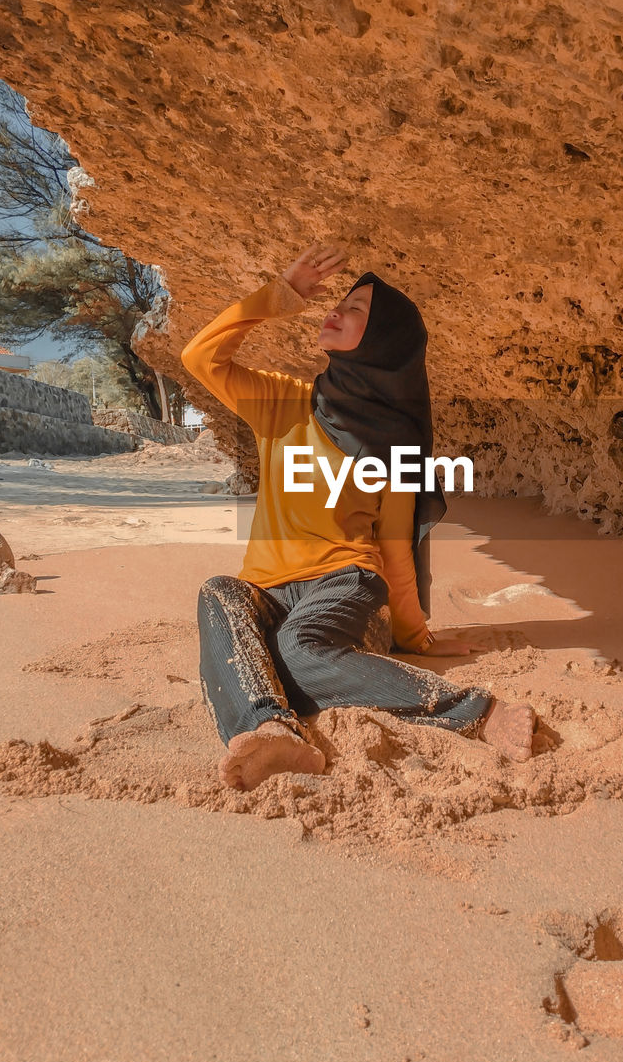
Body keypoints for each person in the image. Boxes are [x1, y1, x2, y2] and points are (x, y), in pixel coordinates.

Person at [180, 241, 535, 791]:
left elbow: (396, 550)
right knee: (218, 594)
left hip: (346, 589)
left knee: (296, 652)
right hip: (268, 593)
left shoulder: (391, 447)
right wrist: (279, 296)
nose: (335, 312)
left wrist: (416, 634)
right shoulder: (283, 403)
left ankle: (477, 712)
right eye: (339, 303)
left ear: (384, 342)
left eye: (356, 311)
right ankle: (272, 728)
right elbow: (200, 359)